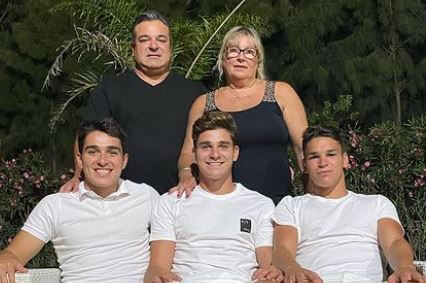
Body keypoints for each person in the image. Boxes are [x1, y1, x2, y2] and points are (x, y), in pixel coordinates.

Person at [61, 10, 206, 194]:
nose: (154, 46)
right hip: (121, 201)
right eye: (145, 40)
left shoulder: (196, 93)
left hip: (180, 198)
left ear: (170, 47)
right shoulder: (109, 89)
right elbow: (87, 137)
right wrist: (78, 176)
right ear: (133, 48)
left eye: (161, 40)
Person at [0, 118, 159, 283]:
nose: (103, 160)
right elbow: (13, 253)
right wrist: (6, 258)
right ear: (79, 159)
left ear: (124, 160)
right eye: (93, 152)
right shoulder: (55, 205)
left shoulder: (145, 196)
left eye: (112, 152)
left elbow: (178, 244)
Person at [272, 126, 425, 283]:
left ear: (345, 160)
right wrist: (291, 268)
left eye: (331, 154)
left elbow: (394, 242)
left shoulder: (377, 203)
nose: (323, 162)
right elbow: (282, 250)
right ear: (304, 165)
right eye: (314, 157)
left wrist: (404, 266)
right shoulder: (292, 206)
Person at [144, 111, 283, 283]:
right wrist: (157, 276)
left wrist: (270, 277)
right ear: (194, 153)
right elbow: (158, 267)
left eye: (223, 146)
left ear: (235, 152)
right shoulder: (171, 202)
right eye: (206, 146)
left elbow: (267, 266)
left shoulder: (260, 205)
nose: (215, 154)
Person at [176, 26, 308, 204]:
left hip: (276, 203)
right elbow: (188, 152)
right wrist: (186, 173)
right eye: (233, 51)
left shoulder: (281, 92)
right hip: (219, 205)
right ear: (223, 59)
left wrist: (313, 194)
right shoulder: (203, 103)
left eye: (249, 52)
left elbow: (304, 149)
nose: (240, 57)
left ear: (258, 60)